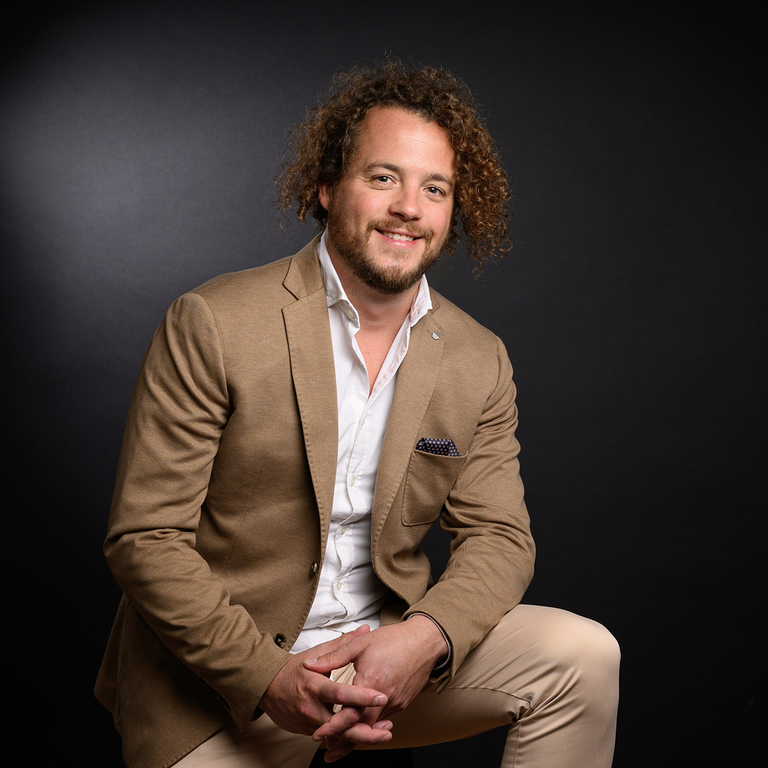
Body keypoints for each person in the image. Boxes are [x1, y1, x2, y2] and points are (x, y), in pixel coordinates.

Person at [95, 60, 620, 768]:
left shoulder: (479, 358)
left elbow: (499, 537)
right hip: (225, 687)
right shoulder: (214, 322)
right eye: (383, 177)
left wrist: (425, 637)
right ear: (326, 187)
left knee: (584, 655)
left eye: (434, 188)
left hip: (384, 662)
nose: (409, 207)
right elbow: (146, 538)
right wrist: (268, 677)